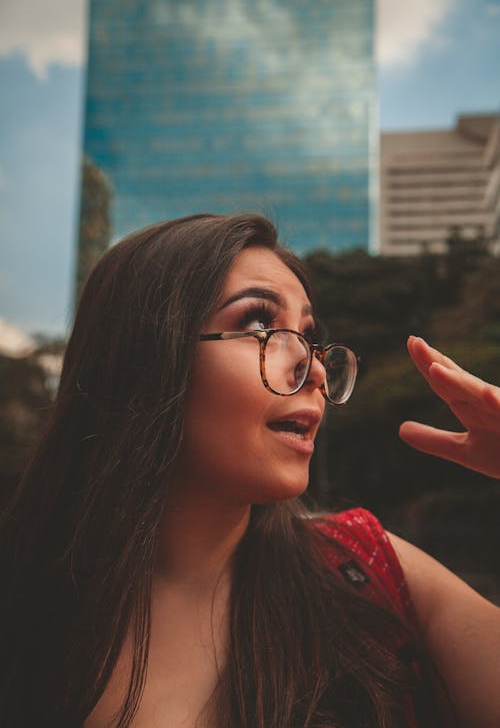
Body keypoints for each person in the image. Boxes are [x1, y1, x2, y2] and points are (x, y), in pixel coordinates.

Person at [1, 213, 499, 728]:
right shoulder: (23, 611)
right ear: (146, 356)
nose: (316, 369)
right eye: (260, 325)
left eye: (309, 335)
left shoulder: (367, 570)